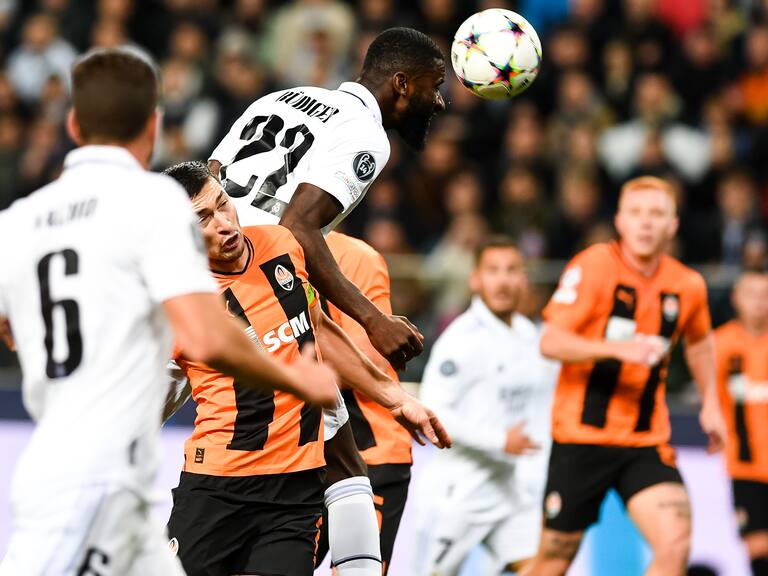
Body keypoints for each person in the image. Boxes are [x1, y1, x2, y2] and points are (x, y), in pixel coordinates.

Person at [0, 48, 337, 576]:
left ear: (72, 123)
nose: (222, 222)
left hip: (70, 461)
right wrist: (298, 380)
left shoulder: (18, 222)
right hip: (99, 472)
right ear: (153, 124)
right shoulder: (150, 204)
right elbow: (207, 337)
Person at [162, 162, 449, 576]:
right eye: (203, 219)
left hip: (296, 490)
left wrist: (396, 397)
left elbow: (316, 327)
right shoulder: (180, 302)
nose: (224, 224)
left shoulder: (280, 244)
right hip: (218, 487)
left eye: (223, 205)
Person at [207, 26, 446, 372]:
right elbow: (297, 226)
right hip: (252, 284)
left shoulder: (278, 98)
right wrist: (373, 320)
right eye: (435, 86)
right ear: (402, 84)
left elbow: (210, 176)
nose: (439, 100)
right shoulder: (367, 134)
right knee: (308, 414)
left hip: (197, 264)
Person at [525, 176, 727, 576]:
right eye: (636, 213)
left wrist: (711, 403)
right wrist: (618, 349)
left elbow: (700, 342)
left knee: (674, 545)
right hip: (582, 438)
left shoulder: (687, 285)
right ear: (620, 221)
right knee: (553, 561)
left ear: (673, 224)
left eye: (657, 214)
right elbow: (550, 341)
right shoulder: (594, 266)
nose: (646, 223)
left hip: (645, 440)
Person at [413, 236, 556, 576]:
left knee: (542, 569)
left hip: (511, 490)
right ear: (475, 279)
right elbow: (433, 410)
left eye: (511, 270)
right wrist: (500, 442)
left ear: (524, 278)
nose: (503, 280)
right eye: (493, 271)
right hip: (459, 492)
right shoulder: (460, 341)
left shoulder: (529, 335)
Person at [314, 231, 418, 574]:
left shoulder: (356, 256)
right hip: (306, 455)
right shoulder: (260, 250)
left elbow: (364, 357)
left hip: (371, 451)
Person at [714, 271, 768, 576]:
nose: (759, 303)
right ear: (736, 298)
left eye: (765, 295)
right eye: (752, 294)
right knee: (757, 548)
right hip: (745, 465)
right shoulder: (720, 344)